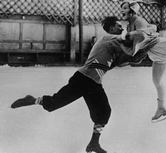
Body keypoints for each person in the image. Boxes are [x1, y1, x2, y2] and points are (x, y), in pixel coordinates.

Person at [10, 16, 137, 153]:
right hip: (82, 79)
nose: (121, 28)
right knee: (53, 103)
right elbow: (128, 41)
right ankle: (32, 99)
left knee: (104, 112)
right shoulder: (108, 39)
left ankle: (93, 144)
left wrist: (135, 57)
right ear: (112, 28)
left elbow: (120, 59)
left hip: (94, 83)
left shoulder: (113, 47)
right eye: (119, 26)